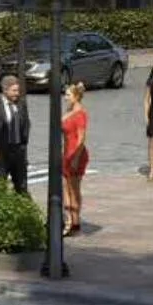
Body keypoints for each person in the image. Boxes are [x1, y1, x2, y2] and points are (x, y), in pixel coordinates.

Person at [0, 74, 30, 194]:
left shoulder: (21, 104)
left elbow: (26, 124)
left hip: (18, 152)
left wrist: (23, 144)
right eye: (14, 91)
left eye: (18, 90)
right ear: (5, 90)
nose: (17, 93)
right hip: (1, 152)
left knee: (22, 188)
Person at [62, 82, 89, 235]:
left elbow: (81, 138)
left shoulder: (80, 114)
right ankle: (69, 220)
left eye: (68, 95)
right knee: (66, 187)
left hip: (75, 153)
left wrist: (75, 157)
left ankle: (75, 221)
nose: (65, 97)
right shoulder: (69, 111)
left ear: (76, 97)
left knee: (74, 188)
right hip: (66, 152)